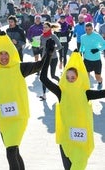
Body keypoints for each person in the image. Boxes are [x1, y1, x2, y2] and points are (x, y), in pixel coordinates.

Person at [0, 31, 47, 170]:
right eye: (0, 53)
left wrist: (48, 53)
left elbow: (39, 65)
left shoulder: (19, 67)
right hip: (4, 119)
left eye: (6, 53)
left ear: (11, 53)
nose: (3, 57)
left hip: (19, 117)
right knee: (14, 151)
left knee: (10, 152)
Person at [40, 38, 105, 170]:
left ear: (79, 78)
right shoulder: (60, 92)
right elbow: (43, 78)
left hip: (82, 141)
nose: (70, 80)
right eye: (67, 77)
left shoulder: (86, 93)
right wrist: (49, 54)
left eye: (73, 78)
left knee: (79, 165)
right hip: (66, 139)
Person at [39, 21, 62, 100]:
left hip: (53, 58)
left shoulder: (53, 36)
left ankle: (60, 81)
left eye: (46, 27)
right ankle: (44, 94)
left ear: (50, 28)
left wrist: (52, 49)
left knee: (52, 76)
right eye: (43, 27)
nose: (44, 29)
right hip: (44, 58)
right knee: (43, 76)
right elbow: (41, 46)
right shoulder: (42, 36)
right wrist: (40, 47)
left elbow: (60, 46)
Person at [80, 22, 105, 90]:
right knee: (86, 76)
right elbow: (82, 46)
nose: (88, 31)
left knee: (97, 77)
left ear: (92, 29)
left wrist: (98, 49)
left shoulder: (97, 36)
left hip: (96, 60)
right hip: (87, 60)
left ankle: (100, 82)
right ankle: (87, 90)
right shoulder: (82, 37)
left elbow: (104, 45)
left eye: (89, 29)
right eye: (86, 29)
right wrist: (80, 52)